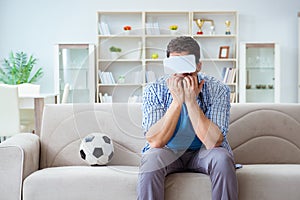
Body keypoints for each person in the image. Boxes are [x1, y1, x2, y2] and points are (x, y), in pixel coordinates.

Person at [137, 36, 238, 200]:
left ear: (198, 66)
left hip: (203, 152)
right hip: (169, 151)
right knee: (151, 159)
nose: (181, 73)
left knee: (222, 158)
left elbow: (213, 141)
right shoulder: (154, 90)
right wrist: (177, 101)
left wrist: (191, 102)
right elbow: (155, 141)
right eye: (175, 65)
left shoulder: (218, 89)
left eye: (186, 64)